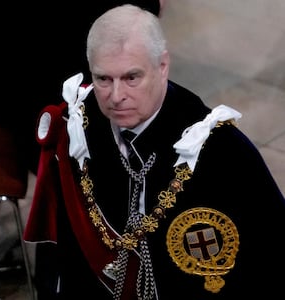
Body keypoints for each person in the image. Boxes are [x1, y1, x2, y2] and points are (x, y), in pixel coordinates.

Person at [24, 4, 285, 299]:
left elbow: (273, 258)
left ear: (163, 66)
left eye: (132, 77)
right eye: (103, 79)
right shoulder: (81, 128)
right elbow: (72, 253)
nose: (116, 97)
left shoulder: (224, 153)